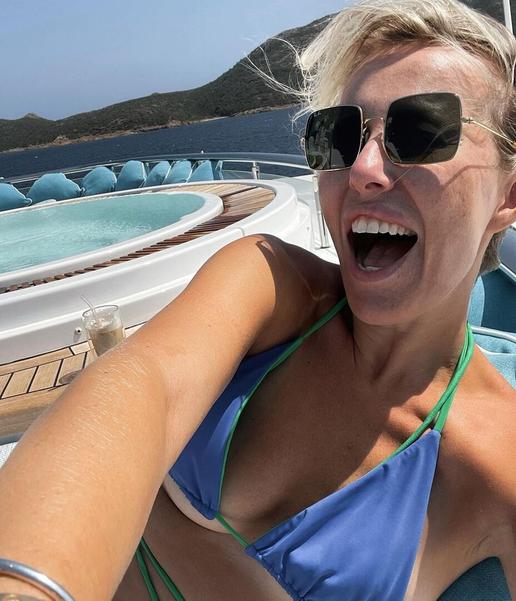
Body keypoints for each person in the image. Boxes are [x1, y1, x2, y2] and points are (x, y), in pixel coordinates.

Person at [0, 0, 515, 599]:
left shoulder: (497, 458)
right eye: (338, 136)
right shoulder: (274, 289)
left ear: (507, 194)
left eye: (421, 131)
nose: (362, 169)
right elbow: (145, 383)